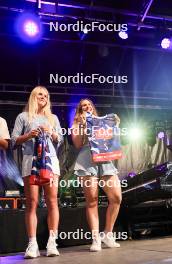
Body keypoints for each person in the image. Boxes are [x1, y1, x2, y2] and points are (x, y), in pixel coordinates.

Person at [12, 86, 63, 258]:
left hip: (50, 164)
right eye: (40, 94)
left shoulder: (53, 118)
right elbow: (13, 140)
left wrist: (53, 134)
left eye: (46, 95)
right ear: (33, 96)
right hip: (30, 163)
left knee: (52, 201)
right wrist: (28, 135)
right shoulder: (23, 117)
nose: (44, 97)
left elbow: (61, 140)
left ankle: (52, 242)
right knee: (32, 202)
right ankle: (32, 244)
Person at [71, 99, 122, 252]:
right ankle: (95, 239)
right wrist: (81, 125)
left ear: (93, 107)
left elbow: (112, 140)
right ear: (79, 110)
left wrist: (115, 125)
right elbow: (78, 144)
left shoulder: (102, 122)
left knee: (116, 198)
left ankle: (107, 233)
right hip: (87, 159)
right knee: (92, 200)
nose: (87, 107)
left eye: (89, 105)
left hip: (104, 159)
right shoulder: (76, 124)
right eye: (83, 106)